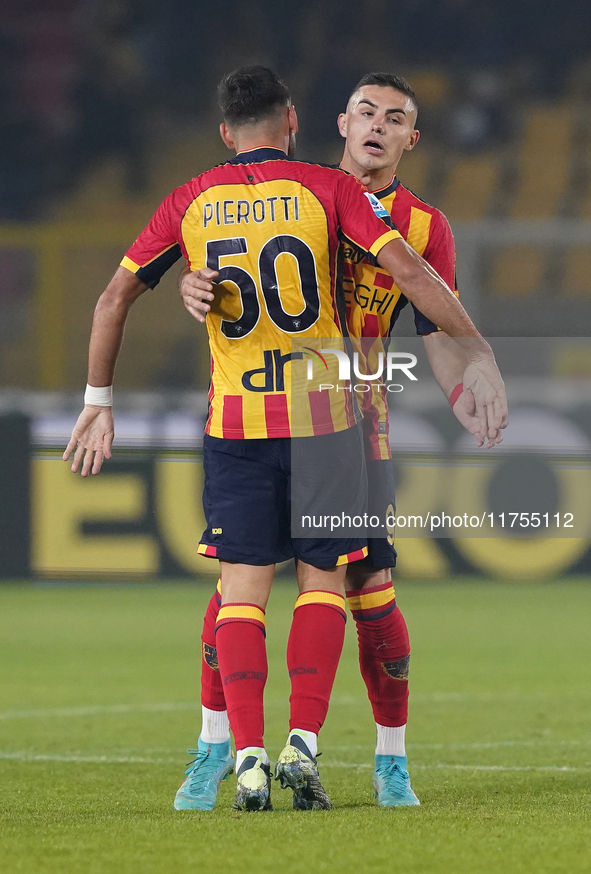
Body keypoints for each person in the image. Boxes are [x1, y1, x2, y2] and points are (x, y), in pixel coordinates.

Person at [64, 66, 507, 813]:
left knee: (364, 593)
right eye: (365, 110)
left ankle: (383, 760)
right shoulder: (316, 195)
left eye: (393, 117)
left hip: (357, 428)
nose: (376, 124)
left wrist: (466, 379)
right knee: (267, 588)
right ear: (331, 122)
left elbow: (430, 323)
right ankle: (216, 747)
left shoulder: (424, 224)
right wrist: (191, 283)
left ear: (408, 137)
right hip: (306, 418)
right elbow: (227, 267)